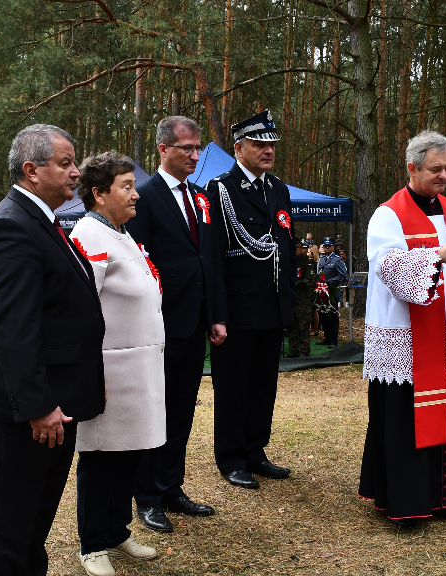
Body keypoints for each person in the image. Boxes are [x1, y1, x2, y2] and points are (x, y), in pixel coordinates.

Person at [0, 124, 105, 576]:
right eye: (67, 163)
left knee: (38, 510)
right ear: (32, 170)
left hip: (52, 401)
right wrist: (40, 405)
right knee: (12, 515)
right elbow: (13, 330)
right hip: (21, 408)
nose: (76, 172)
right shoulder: (10, 229)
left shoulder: (40, 222)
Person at [359, 130, 446, 526]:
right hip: (406, 335)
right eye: (436, 169)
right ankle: (409, 500)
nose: (444, 176)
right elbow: (389, 268)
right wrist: (438, 253)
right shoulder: (388, 214)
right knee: (403, 418)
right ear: (412, 167)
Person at [124, 115, 225, 531]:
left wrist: (217, 315)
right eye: (187, 148)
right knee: (155, 412)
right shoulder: (143, 198)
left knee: (181, 409)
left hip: (195, 321)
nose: (195, 156)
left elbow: (210, 259)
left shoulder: (200, 198)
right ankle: (147, 497)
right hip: (160, 324)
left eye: (198, 148)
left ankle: (172, 486)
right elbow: (139, 261)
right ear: (163, 149)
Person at [69, 152, 162, 576]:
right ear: (98, 193)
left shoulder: (121, 233)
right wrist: (90, 371)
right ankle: (92, 542)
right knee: (101, 456)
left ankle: (116, 529)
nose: (135, 193)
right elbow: (83, 309)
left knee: (130, 452)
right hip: (109, 369)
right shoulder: (88, 235)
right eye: (125, 186)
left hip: (138, 363)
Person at [205, 109, 295, 490]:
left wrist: (287, 306)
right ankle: (231, 458)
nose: (267, 151)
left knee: (263, 384)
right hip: (238, 308)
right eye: (259, 144)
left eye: (271, 145)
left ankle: (256, 450)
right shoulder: (219, 189)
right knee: (233, 385)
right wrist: (217, 313)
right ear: (238, 148)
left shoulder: (278, 189)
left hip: (271, 306)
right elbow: (212, 258)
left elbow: (285, 249)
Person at [315, 237, 347, 349]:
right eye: (325, 246)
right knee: (323, 315)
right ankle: (327, 337)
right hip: (321, 292)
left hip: (332, 292)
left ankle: (333, 340)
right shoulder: (322, 259)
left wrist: (329, 282)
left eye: (329, 246)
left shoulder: (337, 260)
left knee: (332, 316)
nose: (327, 248)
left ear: (333, 247)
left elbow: (343, 276)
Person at [288, 239, 316, 358]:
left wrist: (297, 283)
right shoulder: (288, 262)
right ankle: (293, 350)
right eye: (293, 247)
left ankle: (304, 351)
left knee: (303, 326)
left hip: (303, 300)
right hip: (291, 299)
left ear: (303, 248)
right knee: (292, 326)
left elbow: (310, 279)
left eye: (298, 247)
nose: (296, 250)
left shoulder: (306, 262)